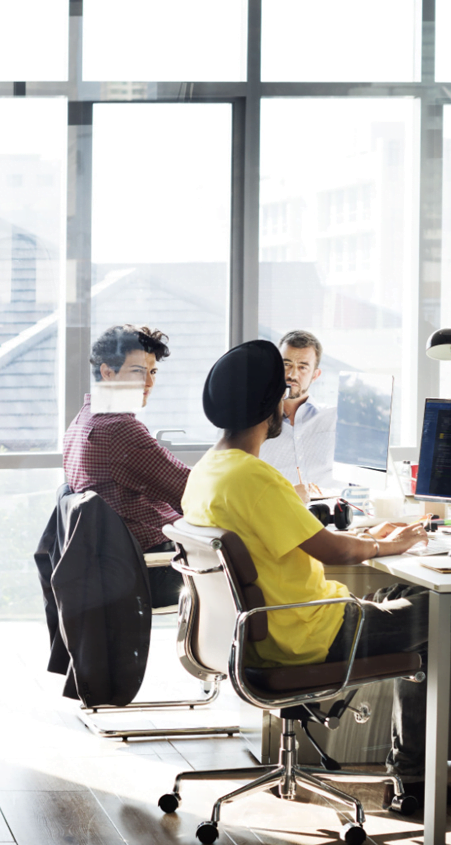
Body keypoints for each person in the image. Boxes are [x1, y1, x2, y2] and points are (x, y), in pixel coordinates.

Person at [182, 339, 430, 799]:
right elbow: (333, 550)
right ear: (271, 405)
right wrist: (388, 542)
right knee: (440, 615)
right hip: (307, 635)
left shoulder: (208, 471)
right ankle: (413, 782)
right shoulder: (254, 477)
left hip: (264, 633)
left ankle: (413, 777)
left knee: (409, 603)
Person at [62, 324, 189, 608]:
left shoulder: (83, 421)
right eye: (137, 371)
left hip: (114, 565)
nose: (149, 383)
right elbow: (190, 489)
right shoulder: (119, 429)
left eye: (153, 371)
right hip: (152, 569)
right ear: (107, 372)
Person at [258, 329, 337, 502]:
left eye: (302, 367)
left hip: (331, 514)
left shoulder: (335, 419)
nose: (293, 375)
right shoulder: (255, 423)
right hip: (276, 513)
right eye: (286, 365)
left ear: (315, 375)